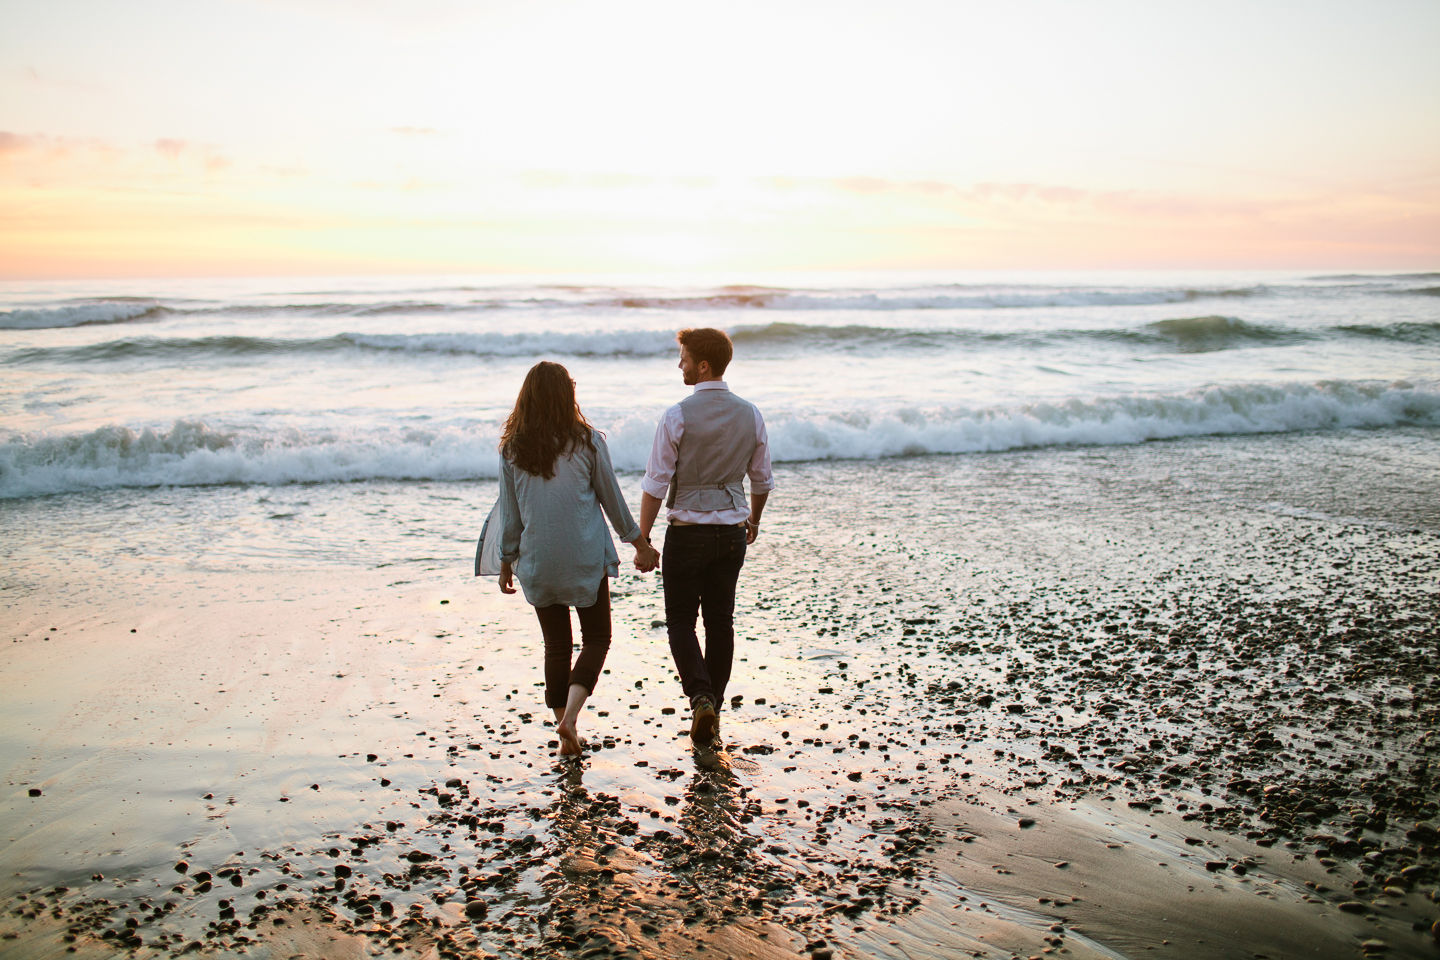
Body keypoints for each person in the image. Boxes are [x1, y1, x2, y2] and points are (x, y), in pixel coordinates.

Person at [496, 361, 660, 756]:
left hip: (538, 560)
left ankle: (562, 729)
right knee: (597, 638)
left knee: (556, 645)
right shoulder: (587, 441)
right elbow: (611, 497)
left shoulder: (512, 448)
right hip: (584, 556)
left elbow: (510, 514)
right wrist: (638, 543)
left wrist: (505, 561)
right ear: (566, 394)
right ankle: (571, 718)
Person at [639, 327, 774, 746]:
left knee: (680, 621)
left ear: (702, 365)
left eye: (682, 358)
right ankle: (712, 703)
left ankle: (701, 699)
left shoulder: (677, 414)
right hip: (732, 534)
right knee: (720, 623)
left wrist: (642, 537)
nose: (678, 365)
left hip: (688, 533)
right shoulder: (750, 413)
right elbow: (762, 479)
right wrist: (752, 520)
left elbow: (656, 481)